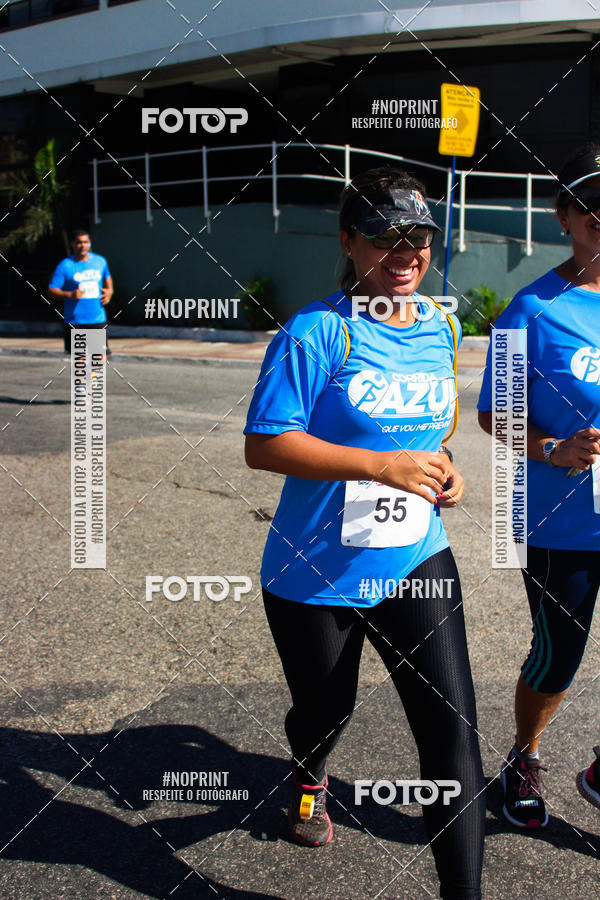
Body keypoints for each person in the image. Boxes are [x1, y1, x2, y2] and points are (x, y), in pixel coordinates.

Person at [244, 167, 485, 899]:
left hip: (416, 556)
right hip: (314, 571)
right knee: (325, 711)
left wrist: (445, 471)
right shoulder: (318, 330)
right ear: (349, 242)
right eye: (384, 236)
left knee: (452, 732)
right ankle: (311, 769)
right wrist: (378, 465)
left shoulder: (443, 325)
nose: (405, 251)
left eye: (418, 236)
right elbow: (265, 442)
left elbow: (434, 435)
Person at [477, 143, 600, 830]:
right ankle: (523, 757)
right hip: (562, 516)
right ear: (564, 216)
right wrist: (554, 448)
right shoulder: (531, 310)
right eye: (590, 204)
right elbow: (495, 412)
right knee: (560, 651)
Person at [48, 229, 113, 355]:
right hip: (74, 321)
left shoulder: (100, 261)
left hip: (97, 319)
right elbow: (52, 290)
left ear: (90, 243)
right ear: (72, 244)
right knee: (80, 362)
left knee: (99, 358)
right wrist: (70, 295)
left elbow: (107, 278)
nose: (83, 245)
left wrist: (110, 292)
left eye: (86, 242)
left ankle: (94, 375)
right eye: (79, 242)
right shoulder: (65, 265)